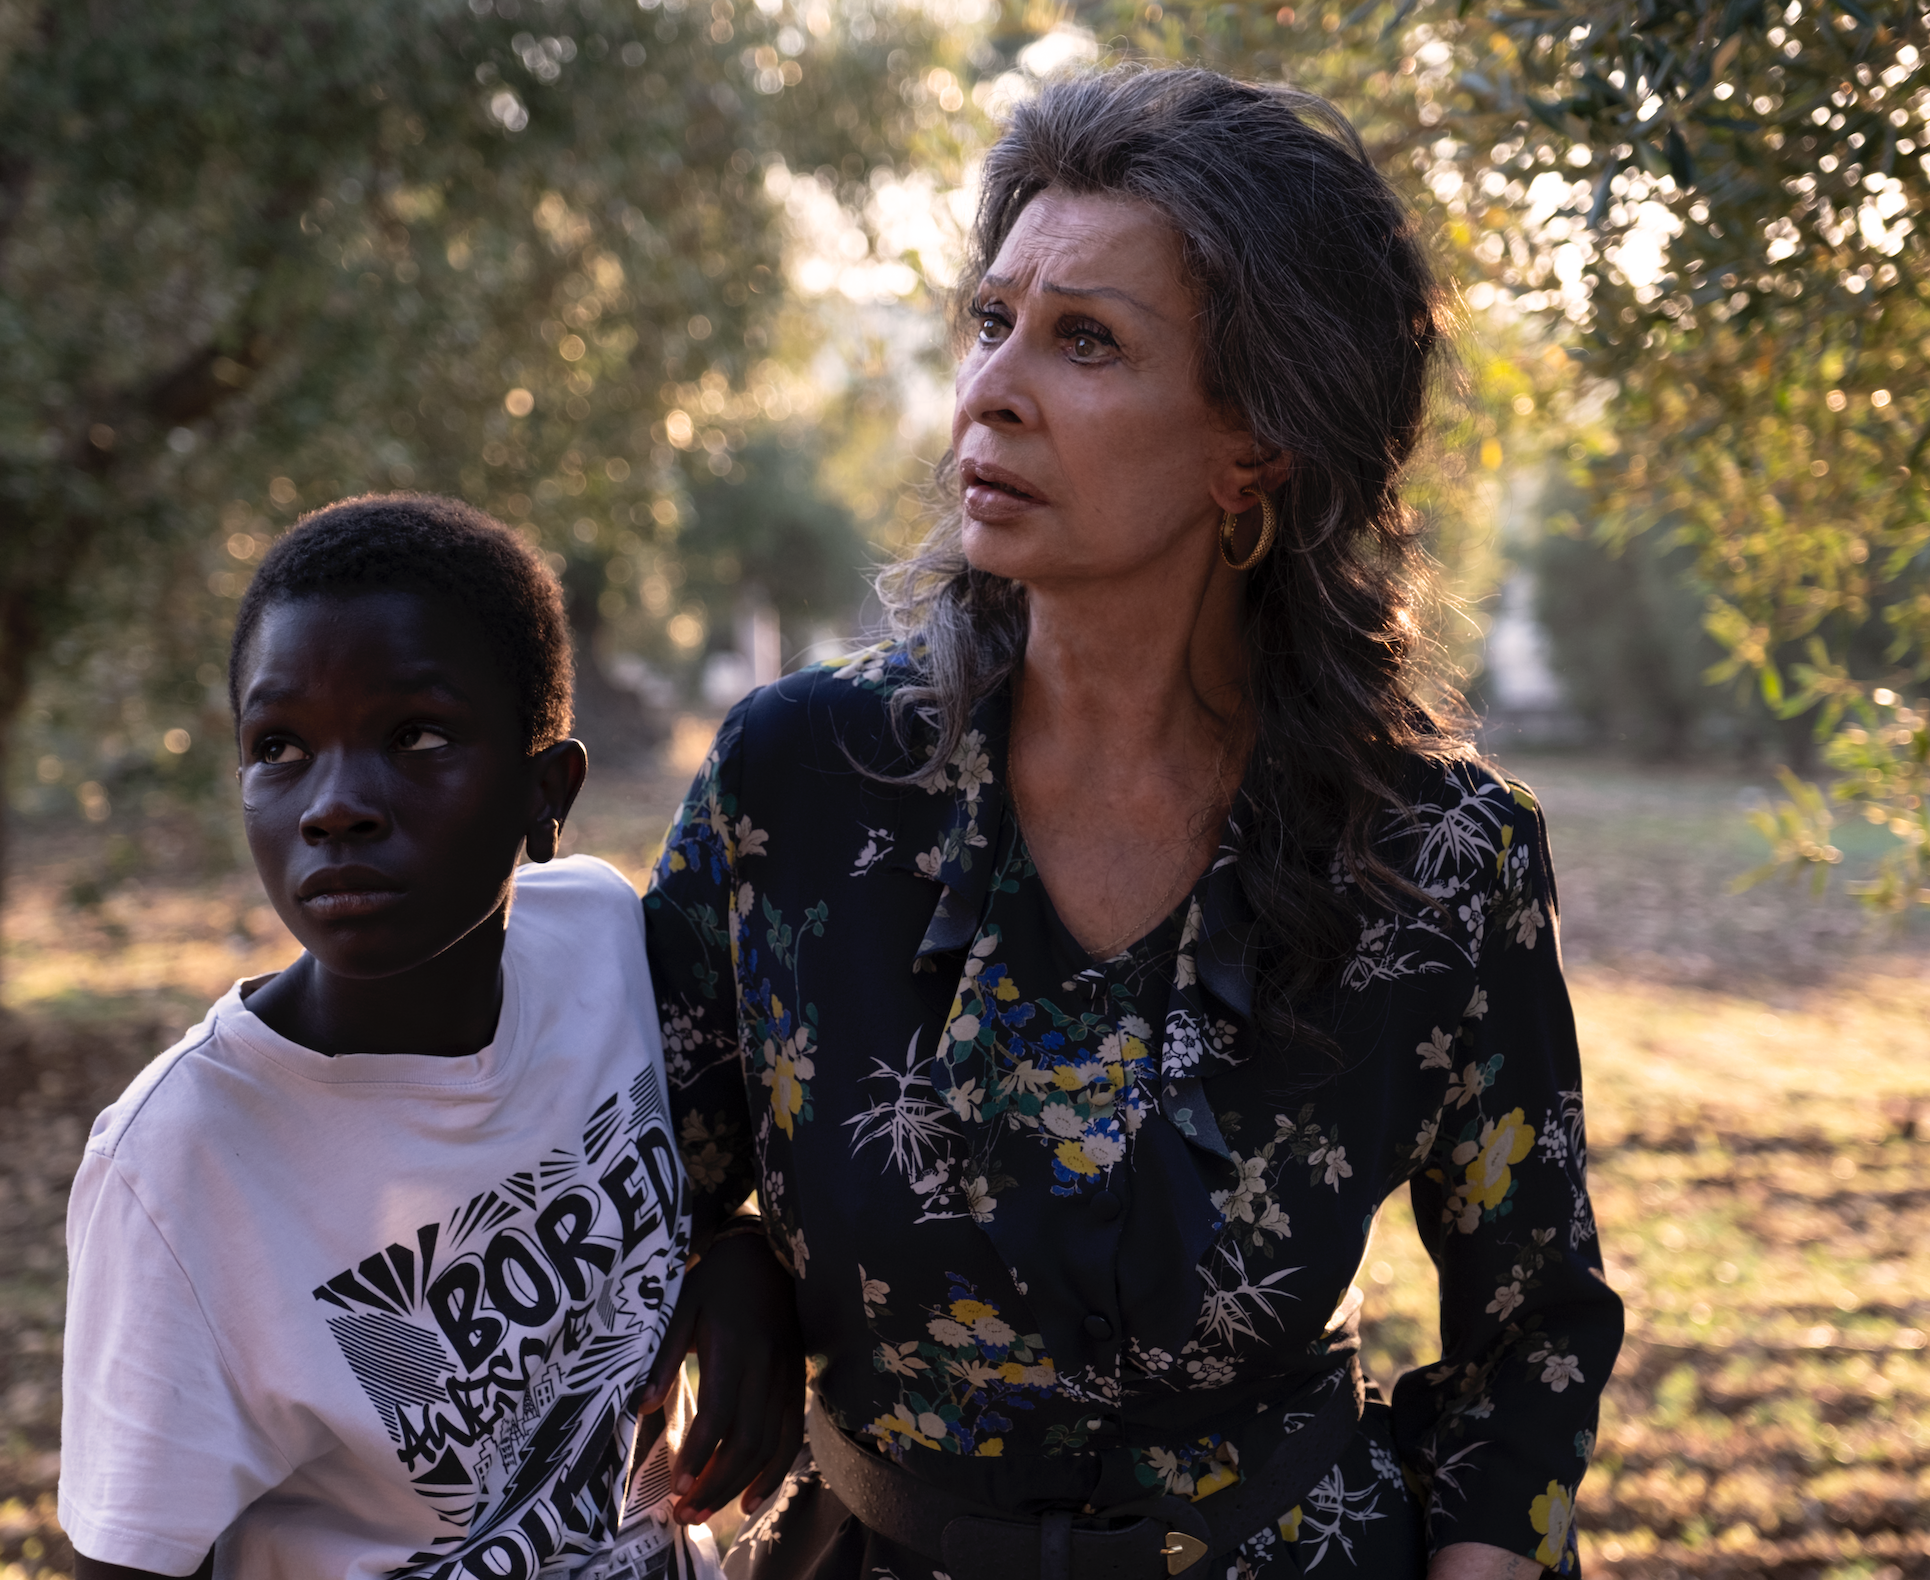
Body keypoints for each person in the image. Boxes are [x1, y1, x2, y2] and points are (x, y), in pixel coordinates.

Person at [646, 66, 1625, 1580]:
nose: (992, 391)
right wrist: (733, 1271)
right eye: (992, 323)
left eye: (1087, 340)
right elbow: (641, 1180)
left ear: (1257, 448)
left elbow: (1535, 1330)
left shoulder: (1438, 860)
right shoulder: (800, 789)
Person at [58, 495, 797, 1580]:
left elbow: (675, 1190)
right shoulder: (180, 1164)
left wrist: (737, 1256)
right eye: (279, 747)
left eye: (416, 735)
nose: (335, 804)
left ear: (547, 793)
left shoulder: (599, 938)